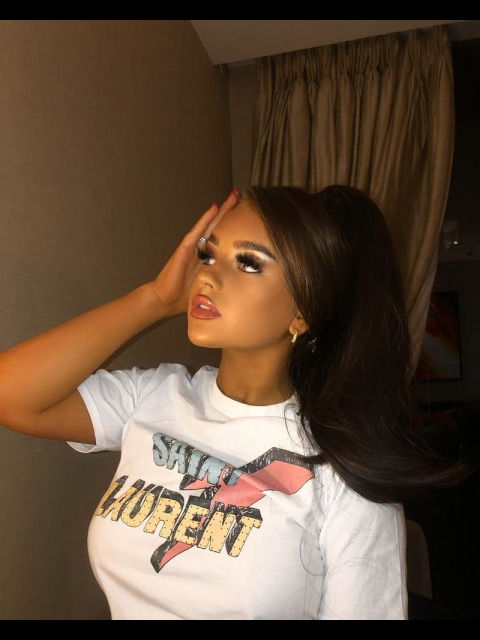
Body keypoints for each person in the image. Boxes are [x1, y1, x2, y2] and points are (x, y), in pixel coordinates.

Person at [0, 184, 466, 620]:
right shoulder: (154, 396)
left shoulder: (344, 470)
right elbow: (12, 396)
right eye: (208, 253)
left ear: (302, 313)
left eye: (248, 263)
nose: (207, 275)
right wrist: (154, 300)